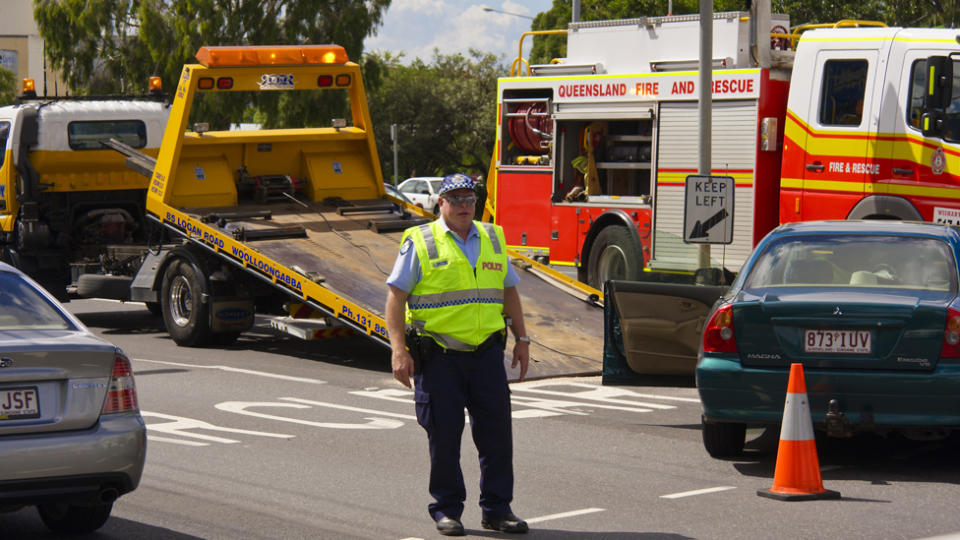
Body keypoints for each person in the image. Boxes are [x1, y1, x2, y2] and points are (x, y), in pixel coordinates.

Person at [385, 173, 530, 536]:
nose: (465, 206)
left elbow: (509, 291)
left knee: (497, 438)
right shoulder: (421, 240)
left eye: (470, 199)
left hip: (486, 357)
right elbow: (395, 297)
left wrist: (523, 338)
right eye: (456, 199)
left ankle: (497, 509)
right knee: (445, 438)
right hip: (440, 357)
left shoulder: (492, 237)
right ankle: (446, 509)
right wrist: (398, 351)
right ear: (441, 204)